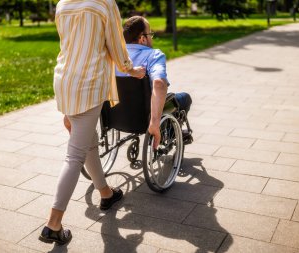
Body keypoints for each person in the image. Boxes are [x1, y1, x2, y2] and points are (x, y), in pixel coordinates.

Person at [38, 0, 145, 245]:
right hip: (88, 83)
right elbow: (117, 46)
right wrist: (132, 70)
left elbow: (68, 42)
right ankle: (53, 224)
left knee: (88, 141)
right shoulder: (104, 3)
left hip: (64, 80)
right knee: (75, 155)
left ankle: (106, 193)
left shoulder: (63, 3)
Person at [116, 16, 193, 146]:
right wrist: (155, 122)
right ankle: (168, 132)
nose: (151, 37)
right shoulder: (153, 55)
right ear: (143, 38)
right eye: (150, 34)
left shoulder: (115, 57)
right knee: (185, 98)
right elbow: (159, 83)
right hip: (145, 116)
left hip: (116, 116)